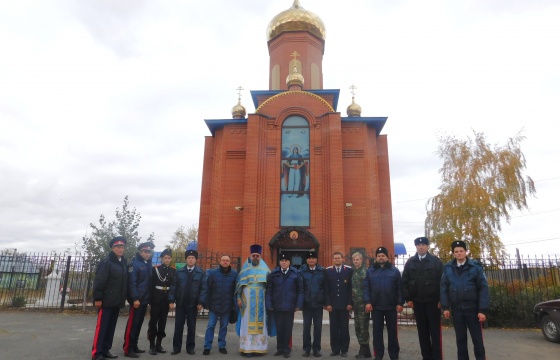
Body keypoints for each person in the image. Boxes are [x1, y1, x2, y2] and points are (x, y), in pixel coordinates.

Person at [440, 241, 489, 360]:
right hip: (457, 309)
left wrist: (482, 309)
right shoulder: (448, 268)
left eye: (461, 251)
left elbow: (483, 288)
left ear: (466, 252)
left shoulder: (475, 267)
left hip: (473, 309)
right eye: (456, 251)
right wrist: (445, 307)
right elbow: (444, 287)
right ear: (453, 253)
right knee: (460, 339)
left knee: (477, 339)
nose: (459, 253)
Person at [401, 237, 443, 360]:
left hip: (433, 303)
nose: (421, 247)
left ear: (427, 246)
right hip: (417, 303)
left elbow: (443, 282)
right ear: (416, 247)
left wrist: (442, 299)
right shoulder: (410, 262)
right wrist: (408, 298)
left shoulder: (436, 262)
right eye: (419, 245)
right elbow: (405, 282)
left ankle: (436, 357)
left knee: (434, 332)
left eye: (424, 245)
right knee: (422, 332)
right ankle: (426, 356)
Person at [91, 236, 129, 360]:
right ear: (113, 248)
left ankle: (106, 349)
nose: (120, 249)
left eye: (122, 247)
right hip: (106, 301)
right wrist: (97, 298)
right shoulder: (107, 261)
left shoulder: (123, 262)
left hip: (116, 301)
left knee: (111, 327)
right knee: (102, 327)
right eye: (118, 247)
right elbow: (99, 280)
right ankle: (97, 353)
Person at [364, 247, 403, 360]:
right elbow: (366, 288)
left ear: (386, 257)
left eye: (383, 255)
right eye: (379, 255)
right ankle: (379, 355)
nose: (381, 257)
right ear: (376, 258)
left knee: (392, 334)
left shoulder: (394, 271)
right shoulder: (370, 271)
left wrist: (400, 303)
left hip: (391, 307)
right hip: (376, 307)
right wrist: (367, 302)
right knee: (377, 334)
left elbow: (399, 288)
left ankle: (394, 355)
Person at [235, 244, 273, 357]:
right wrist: (238, 298)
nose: (255, 257)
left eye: (257, 255)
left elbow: (270, 287)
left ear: (260, 256)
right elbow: (239, 286)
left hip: (261, 301)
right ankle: (247, 348)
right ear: (250, 256)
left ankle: (259, 348)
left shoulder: (266, 269)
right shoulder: (245, 269)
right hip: (247, 301)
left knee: (261, 324)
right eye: (253, 255)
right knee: (247, 323)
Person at [169, 249, 207, 355]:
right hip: (181, 303)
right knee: (178, 326)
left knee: (191, 326)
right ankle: (176, 348)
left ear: (195, 260)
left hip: (193, 304)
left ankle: (190, 347)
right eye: (189, 258)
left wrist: (201, 302)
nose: (191, 260)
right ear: (186, 259)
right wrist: (171, 300)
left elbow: (203, 289)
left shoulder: (200, 273)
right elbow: (173, 287)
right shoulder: (179, 272)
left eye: (193, 258)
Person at [266, 253, 304, 358]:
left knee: (287, 328)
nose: (284, 262)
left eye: (286, 260)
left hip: (290, 306)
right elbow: (269, 290)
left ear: (289, 262)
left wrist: (298, 304)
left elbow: (300, 290)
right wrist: (269, 304)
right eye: (282, 260)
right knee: (279, 328)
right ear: (279, 262)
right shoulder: (274, 273)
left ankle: (286, 349)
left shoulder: (296, 273)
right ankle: (279, 348)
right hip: (277, 305)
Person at [123, 241, 154, 358]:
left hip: (144, 300)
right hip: (137, 301)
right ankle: (128, 348)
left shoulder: (148, 264)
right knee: (132, 324)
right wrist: (135, 298)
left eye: (149, 252)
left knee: (139, 324)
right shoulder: (134, 265)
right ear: (140, 252)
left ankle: (134, 345)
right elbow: (132, 283)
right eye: (145, 252)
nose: (147, 254)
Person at [203, 254, 238, 355]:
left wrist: (234, 304)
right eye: (223, 260)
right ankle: (207, 346)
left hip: (227, 306)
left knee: (223, 327)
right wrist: (207, 303)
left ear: (230, 262)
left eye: (227, 260)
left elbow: (236, 290)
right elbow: (208, 288)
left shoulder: (234, 274)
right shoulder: (213, 273)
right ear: (220, 262)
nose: (225, 262)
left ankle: (222, 345)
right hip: (214, 305)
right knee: (210, 326)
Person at [324, 252, 353, 357]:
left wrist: (350, 303)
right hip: (333, 306)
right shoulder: (328, 271)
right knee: (334, 328)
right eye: (335, 258)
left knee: (344, 328)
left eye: (339, 258)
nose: (337, 259)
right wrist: (327, 304)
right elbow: (326, 289)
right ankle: (335, 349)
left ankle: (344, 349)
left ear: (342, 259)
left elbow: (351, 288)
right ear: (333, 259)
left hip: (345, 305)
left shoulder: (349, 270)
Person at [147, 248, 175, 355]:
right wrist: (150, 298)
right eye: (165, 258)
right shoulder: (156, 269)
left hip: (166, 299)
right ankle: (152, 345)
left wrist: (172, 300)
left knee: (163, 322)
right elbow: (151, 284)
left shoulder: (173, 270)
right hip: (156, 298)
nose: (167, 260)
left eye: (169, 258)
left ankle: (159, 344)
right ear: (161, 259)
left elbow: (173, 286)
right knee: (153, 321)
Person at [299, 251, 326, 357]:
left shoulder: (322, 271)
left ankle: (316, 349)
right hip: (307, 304)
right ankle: (306, 349)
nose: (311, 260)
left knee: (318, 328)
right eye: (309, 258)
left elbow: (325, 287)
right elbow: (300, 288)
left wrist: (325, 302)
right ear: (306, 260)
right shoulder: (301, 271)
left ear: (316, 260)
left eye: (313, 258)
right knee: (306, 328)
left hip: (318, 304)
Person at [351, 252, 371, 359]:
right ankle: (364, 349)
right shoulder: (354, 272)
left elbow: (368, 288)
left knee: (363, 327)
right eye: (354, 260)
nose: (356, 261)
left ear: (362, 260)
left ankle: (364, 349)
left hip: (363, 304)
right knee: (358, 327)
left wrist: (368, 302)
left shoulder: (366, 272)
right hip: (356, 305)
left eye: (357, 259)